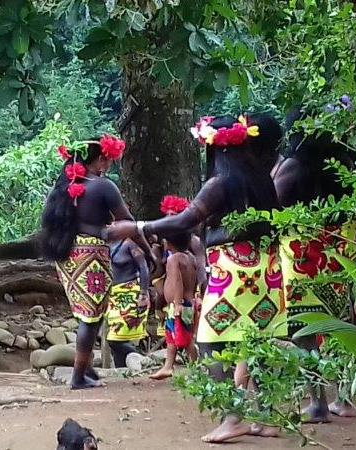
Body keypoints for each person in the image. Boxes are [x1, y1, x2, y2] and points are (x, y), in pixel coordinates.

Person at [107, 114, 286, 442]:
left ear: (213, 147)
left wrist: (138, 227)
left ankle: (233, 416)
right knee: (257, 343)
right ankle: (267, 417)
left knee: (209, 341)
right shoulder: (260, 178)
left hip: (233, 274)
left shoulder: (221, 183)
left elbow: (187, 219)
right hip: (267, 274)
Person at [272, 106, 356, 421]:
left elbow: (270, 209)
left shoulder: (294, 166)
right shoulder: (344, 163)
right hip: (339, 259)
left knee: (304, 331)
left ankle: (318, 401)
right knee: (340, 327)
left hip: (302, 260)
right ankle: (345, 397)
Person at [41, 135, 142, 390]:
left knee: (89, 314)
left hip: (68, 254)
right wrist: (148, 250)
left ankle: (87, 370)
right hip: (91, 253)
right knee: (89, 317)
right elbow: (127, 221)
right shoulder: (103, 186)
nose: (108, 166)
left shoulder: (65, 185)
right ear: (99, 159)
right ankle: (77, 378)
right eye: (108, 161)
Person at [149, 231, 198, 380]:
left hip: (180, 305)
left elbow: (177, 281)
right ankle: (168, 366)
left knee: (186, 338)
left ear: (168, 243)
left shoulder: (173, 259)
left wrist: (177, 303)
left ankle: (196, 366)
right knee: (171, 336)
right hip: (185, 303)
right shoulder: (190, 258)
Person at [105, 238, 150, 368]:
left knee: (114, 339)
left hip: (130, 294)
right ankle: (121, 372)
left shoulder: (130, 244)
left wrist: (143, 293)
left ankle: (143, 359)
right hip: (114, 295)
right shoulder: (105, 243)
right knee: (116, 339)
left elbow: (143, 267)